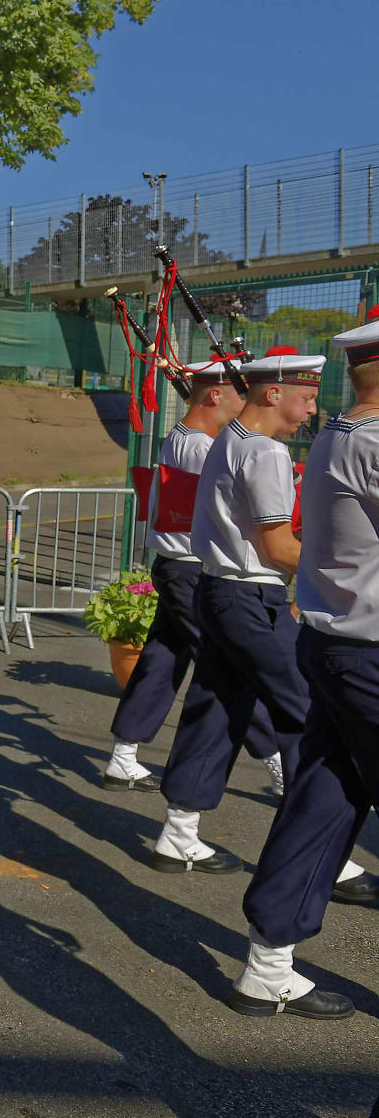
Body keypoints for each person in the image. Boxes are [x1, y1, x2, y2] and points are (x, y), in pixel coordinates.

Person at [149, 349, 370, 892]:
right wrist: (337, 575)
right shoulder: (266, 452)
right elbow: (276, 546)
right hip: (251, 597)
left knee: (217, 707)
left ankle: (179, 831)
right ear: (275, 394)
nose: (313, 409)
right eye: (308, 396)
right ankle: (326, 857)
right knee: (306, 715)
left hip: (221, 590)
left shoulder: (230, 439)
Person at [229, 316, 379, 1019]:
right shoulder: (372, 442)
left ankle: (268, 961)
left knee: (326, 797)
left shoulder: (338, 437)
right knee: (325, 791)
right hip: (368, 655)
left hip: (339, 647)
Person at [102, 363, 285, 795]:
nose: (245, 403)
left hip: (173, 564)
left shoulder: (179, 437)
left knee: (162, 659)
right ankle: (279, 763)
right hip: (190, 568)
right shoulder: (205, 447)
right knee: (234, 668)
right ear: (215, 396)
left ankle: (123, 755)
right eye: (238, 393)